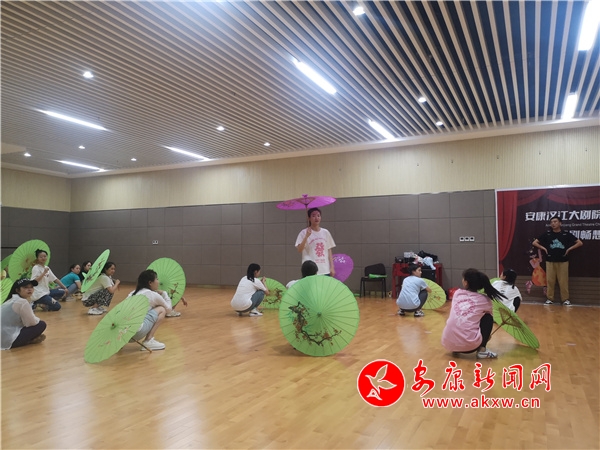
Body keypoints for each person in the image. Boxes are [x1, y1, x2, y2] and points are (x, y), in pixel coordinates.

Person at [441, 268, 506, 359]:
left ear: (466, 283)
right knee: (488, 316)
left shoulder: (457, 294)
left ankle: (456, 347)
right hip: (470, 346)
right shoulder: (485, 300)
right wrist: (486, 336)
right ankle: (482, 350)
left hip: (448, 342)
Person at [532, 216, 583, 306]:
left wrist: (569, 249)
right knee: (550, 281)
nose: (553, 223)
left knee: (563, 281)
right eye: (552, 222)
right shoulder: (547, 234)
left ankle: (565, 299)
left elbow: (580, 243)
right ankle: (549, 299)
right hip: (550, 261)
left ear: (560, 223)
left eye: (555, 222)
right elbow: (534, 242)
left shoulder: (566, 234)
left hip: (563, 261)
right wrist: (543, 248)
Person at [128, 269, 171, 351]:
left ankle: (120, 344)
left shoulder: (132, 293)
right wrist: (165, 294)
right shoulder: (152, 294)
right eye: (157, 279)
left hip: (123, 334)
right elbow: (169, 309)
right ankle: (148, 340)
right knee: (162, 309)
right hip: (137, 332)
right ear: (150, 282)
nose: (158, 281)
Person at [1, 279, 47, 350]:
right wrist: (36, 319)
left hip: (3, 336)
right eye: (25, 287)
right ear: (17, 290)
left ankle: (30, 339)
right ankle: (28, 340)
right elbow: (31, 323)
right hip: (8, 340)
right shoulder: (21, 302)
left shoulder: (10, 300)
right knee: (41, 324)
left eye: (31, 287)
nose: (29, 289)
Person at [295, 207, 336, 276]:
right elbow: (299, 250)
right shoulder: (303, 233)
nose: (316, 218)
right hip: (310, 270)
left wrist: (332, 267)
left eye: (318, 215)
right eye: (313, 216)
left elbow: (329, 250)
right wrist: (306, 236)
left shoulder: (325, 232)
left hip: (325, 269)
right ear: (309, 218)